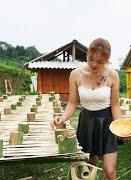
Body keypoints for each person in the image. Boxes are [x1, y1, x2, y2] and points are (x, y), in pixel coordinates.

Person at [53, 38, 124, 180]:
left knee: (110, 172)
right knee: (87, 168)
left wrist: (121, 127)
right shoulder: (75, 74)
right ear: (87, 55)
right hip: (86, 123)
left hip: (107, 124)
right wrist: (63, 117)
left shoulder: (113, 76)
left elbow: (115, 105)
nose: (94, 64)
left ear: (108, 60)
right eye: (91, 59)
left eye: (100, 62)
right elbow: (72, 103)